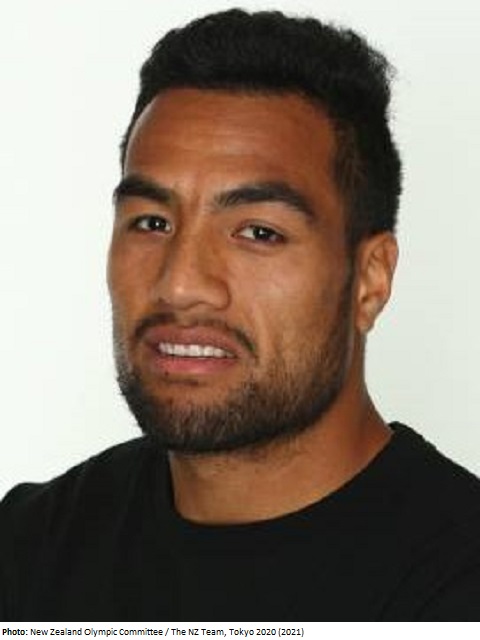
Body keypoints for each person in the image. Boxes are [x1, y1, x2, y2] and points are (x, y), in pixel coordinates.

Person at [1, 8, 479, 623]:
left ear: (370, 279)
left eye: (258, 232)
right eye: (152, 222)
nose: (180, 285)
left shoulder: (454, 584)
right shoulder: (31, 549)